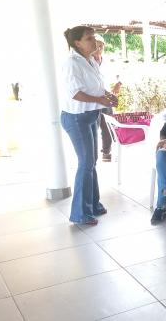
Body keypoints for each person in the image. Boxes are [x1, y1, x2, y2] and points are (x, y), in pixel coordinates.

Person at [60, 26, 117, 225]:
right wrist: (101, 101)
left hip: (90, 115)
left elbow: (95, 85)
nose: (94, 41)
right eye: (89, 38)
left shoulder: (90, 59)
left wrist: (107, 94)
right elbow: (75, 93)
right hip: (77, 118)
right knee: (85, 164)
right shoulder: (71, 63)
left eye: (93, 37)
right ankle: (80, 213)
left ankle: (92, 205)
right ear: (77, 43)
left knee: (91, 162)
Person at [93, 35, 121, 162]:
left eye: (101, 45)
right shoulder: (88, 62)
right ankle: (93, 155)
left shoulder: (107, 61)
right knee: (94, 127)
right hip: (93, 101)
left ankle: (106, 152)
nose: (99, 48)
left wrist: (118, 83)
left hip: (107, 99)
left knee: (108, 126)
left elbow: (118, 75)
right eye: (97, 45)